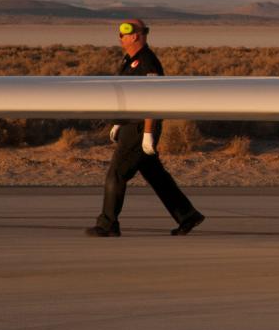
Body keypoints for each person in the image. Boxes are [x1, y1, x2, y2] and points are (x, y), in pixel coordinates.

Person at [86, 19, 205, 237]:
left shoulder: (148, 61)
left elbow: (154, 97)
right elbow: (127, 95)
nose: (120, 35)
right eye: (120, 31)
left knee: (117, 173)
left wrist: (149, 132)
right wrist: (118, 122)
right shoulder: (129, 60)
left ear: (137, 35)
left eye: (125, 30)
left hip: (140, 128)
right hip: (130, 124)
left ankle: (108, 224)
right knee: (155, 175)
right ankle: (187, 215)